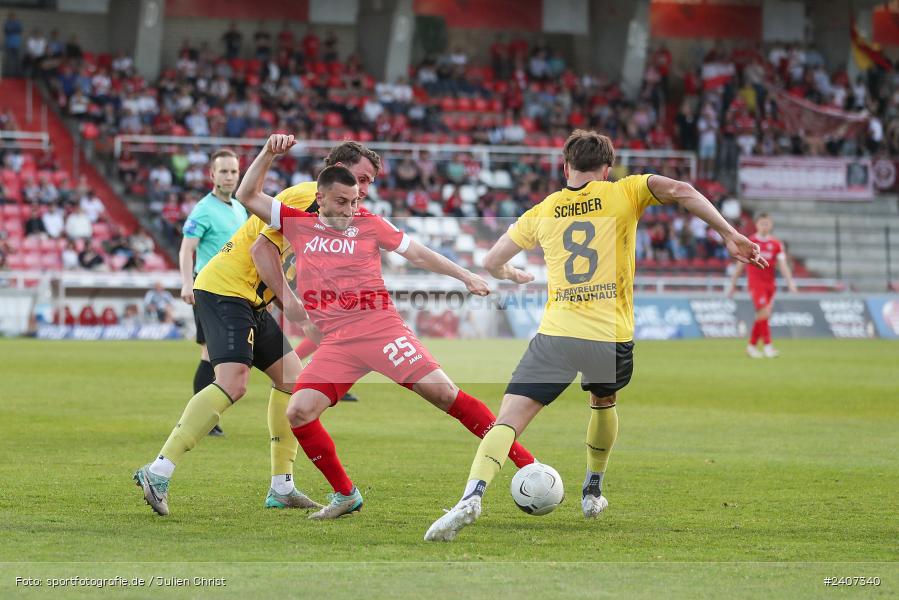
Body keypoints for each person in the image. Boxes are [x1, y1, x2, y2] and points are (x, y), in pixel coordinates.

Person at [424, 129, 767, 541]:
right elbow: (682, 189)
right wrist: (728, 233)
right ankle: (592, 490)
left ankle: (471, 496)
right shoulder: (625, 192)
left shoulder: (545, 209)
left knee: (509, 419)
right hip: (610, 334)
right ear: (607, 168)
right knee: (603, 403)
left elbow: (492, 260)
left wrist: (509, 273)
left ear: (565, 167)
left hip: (558, 333)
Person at [235, 134, 537, 520]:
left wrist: (465, 276)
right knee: (299, 411)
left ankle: (528, 465)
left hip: (382, 331)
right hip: (339, 345)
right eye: (343, 201)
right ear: (321, 198)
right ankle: (346, 495)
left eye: (357, 201)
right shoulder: (297, 224)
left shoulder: (370, 224)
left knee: (446, 396)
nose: (351, 208)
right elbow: (248, 194)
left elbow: (419, 255)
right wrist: (267, 154)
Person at [131, 141, 381, 517]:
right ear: (335, 171)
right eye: (360, 179)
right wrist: (293, 306)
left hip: (254, 299)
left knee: (292, 383)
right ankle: (158, 471)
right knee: (234, 382)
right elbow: (260, 252)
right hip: (225, 289)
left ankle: (282, 487)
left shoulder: (337, 212)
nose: (362, 191)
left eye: (368, 183)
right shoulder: (305, 198)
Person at [179, 148, 248, 436]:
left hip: (234, 289)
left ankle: (206, 417)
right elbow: (187, 248)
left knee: (222, 355)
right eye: (224, 171)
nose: (230, 176)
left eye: (233, 171)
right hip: (209, 288)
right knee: (211, 353)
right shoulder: (203, 209)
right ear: (211, 175)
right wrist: (186, 282)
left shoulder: (240, 207)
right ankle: (205, 421)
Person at [727, 213, 797, 358]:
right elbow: (740, 265)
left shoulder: (776, 244)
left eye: (767, 223)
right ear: (756, 224)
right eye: (762, 223)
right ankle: (767, 346)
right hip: (755, 284)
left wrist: (790, 283)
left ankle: (751, 347)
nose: (764, 226)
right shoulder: (750, 242)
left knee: (763, 315)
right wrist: (732, 284)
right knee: (764, 313)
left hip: (770, 285)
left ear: (771, 225)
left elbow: (783, 266)